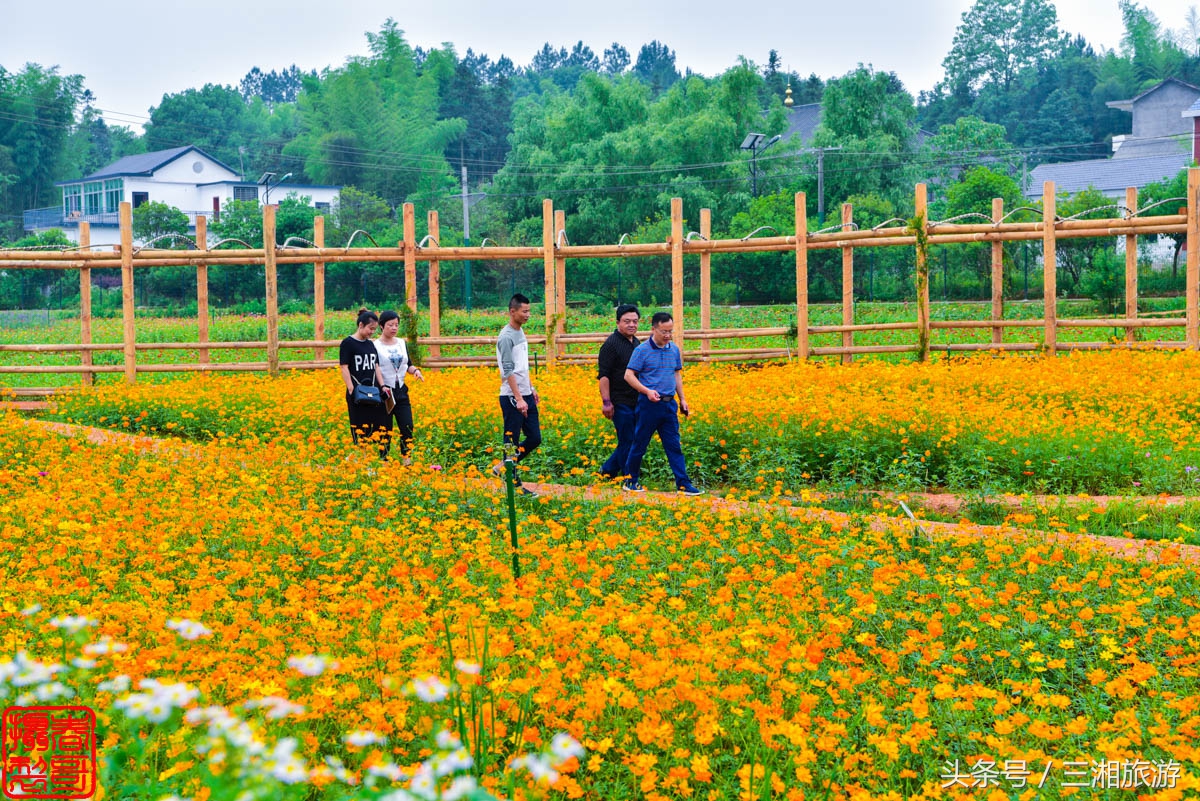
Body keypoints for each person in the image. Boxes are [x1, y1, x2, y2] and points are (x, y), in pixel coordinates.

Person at [622, 311, 703, 495]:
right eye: (663, 331)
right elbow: (628, 375)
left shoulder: (673, 349)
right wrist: (647, 391)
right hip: (649, 404)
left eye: (670, 331)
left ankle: (683, 484)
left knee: (674, 445)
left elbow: (676, 374)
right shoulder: (641, 351)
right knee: (640, 443)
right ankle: (630, 480)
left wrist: (682, 398)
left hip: (669, 405)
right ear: (653, 329)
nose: (667, 335)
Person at [494, 293, 541, 496]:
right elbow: (508, 370)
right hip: (512, 396)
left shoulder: (520, 332)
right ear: (512, 312)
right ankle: (514, 483)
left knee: (535, 437)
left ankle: (503, 467)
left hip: (525, 393)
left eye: (529, 311)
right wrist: (519, 398)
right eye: (525, 311)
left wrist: (531, 388)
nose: (528, 315)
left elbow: (522, 366)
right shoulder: (506, 337)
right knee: (511, 440)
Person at [597, 304, 641, 480]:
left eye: (635, 321)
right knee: (627, 440)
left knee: (632, 440)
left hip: (636, 400)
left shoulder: (636, 343)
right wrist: (606, 402)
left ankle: (607, 471)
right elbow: (604, 376)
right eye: (627, 321)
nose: (632, 325)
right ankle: (628, 477)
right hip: (619, 401)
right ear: (617, 322)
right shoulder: (610, 345)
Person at [374, 310, 424, 464]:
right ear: (382, 326)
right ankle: (384, 461)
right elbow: (375, 368)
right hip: (385, 392)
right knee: (384, 429)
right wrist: (382, 387)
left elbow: (407, 364)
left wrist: (415, 371)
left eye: (396, 325)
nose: (394, 328)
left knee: (407, 426)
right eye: (390, 325)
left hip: (401, 390)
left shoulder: (402, 343)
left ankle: (406, 460)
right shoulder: (375, 345)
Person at [339, 308, 388, 455]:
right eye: (370, 328)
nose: (372, 332)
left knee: (374, 424)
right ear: (361, 325)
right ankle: (361, 456)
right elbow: (344, 366)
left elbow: (376, 366)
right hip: (357, 392)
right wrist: (351, 388)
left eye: (374, 329)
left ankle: (368, 456)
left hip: (372, 391)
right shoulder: (348, 343)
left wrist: (382, 385)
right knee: (358, 425)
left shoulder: (370, 344)